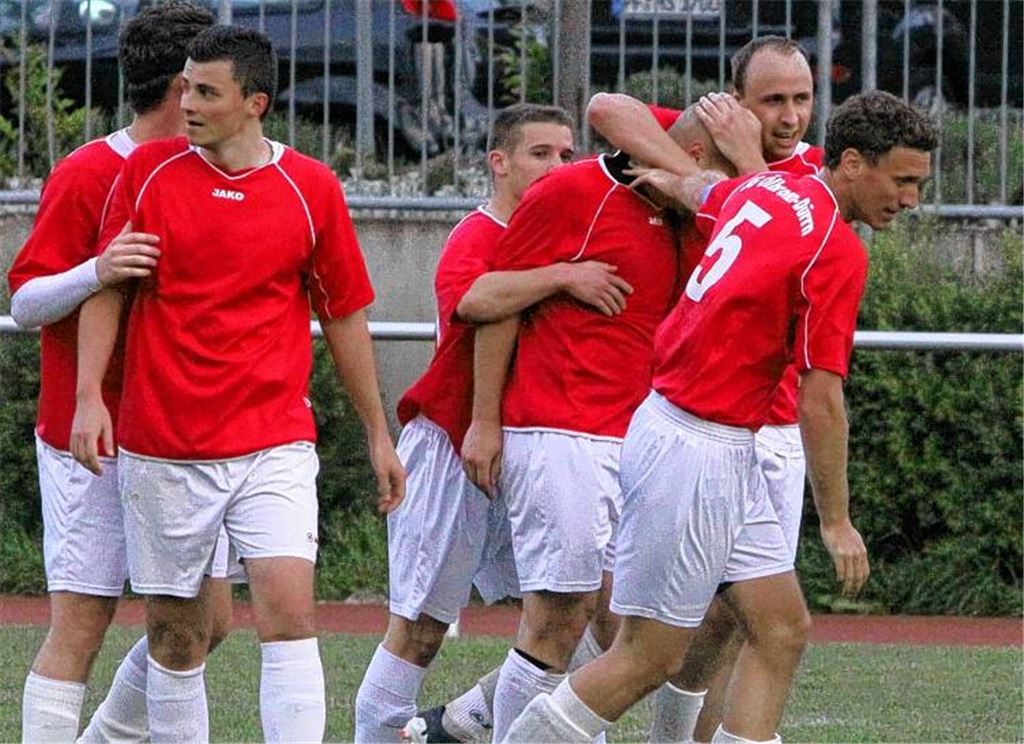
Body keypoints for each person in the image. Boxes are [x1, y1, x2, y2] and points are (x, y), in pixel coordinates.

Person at [503, 90, 937, 744]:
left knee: (781, 628)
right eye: (902, 180)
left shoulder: (771, 190)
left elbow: (709, 192)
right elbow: (820, 399)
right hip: (696, 447)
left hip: (717, 441)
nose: (910, 199)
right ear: (851, 163)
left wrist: (676, 180)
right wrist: (839, 521)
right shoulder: (838, 250)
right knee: (646, 658)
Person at [69, 25, 405, 743]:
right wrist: (90, 395)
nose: (185, 101)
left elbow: (344, 314)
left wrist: (380, 433)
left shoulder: (310, 186)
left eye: (205, 91)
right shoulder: (148, 173)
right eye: (186, 85)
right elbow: (109, 286)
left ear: (254, 103)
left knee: (290, 616)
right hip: (162, 442)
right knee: (177, 636)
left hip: (272, 439)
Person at [454, 95, 765, 743]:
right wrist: (485, 423)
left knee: (633, 627)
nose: (729, 189)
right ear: (695, 158)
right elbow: (490, 303)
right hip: (560, 431)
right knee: (555, 619)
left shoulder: (703, 220)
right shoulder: (574, 193)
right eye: (722, 173)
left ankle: (474, 716)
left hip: (646, 442)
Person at [354, 102, 641, 743]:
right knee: (421, 629)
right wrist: (564, 275)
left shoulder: (573, 234)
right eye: (541, 153)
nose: (558, 167)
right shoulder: (479, 234)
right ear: (499, 162)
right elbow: (476, 301)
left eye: (569, 154)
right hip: (454, 446)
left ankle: (478, 713)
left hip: (534, 450)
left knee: (596, 614)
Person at [4, 5, 240, 742]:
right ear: (182, 83)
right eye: (206, 77)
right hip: (90, 437)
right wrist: (95, 272)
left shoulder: (221, 172)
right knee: (82, 621)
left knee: (208, 623)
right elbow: (26, 300)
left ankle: (105, 737)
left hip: (185, 434)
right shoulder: (90, 172)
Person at [587, 36, 826, 741]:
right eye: (772, 100)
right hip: (696, 422)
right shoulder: (709, 140)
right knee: (655, 634)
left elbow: (778, 218)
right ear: (733, 106)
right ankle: (500, 715)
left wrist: (726, 182)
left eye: (802, 99)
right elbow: (606, 106)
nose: (790, 116)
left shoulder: (811, 174)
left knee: (744, 621)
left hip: (771, 430)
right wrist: (683, 160)